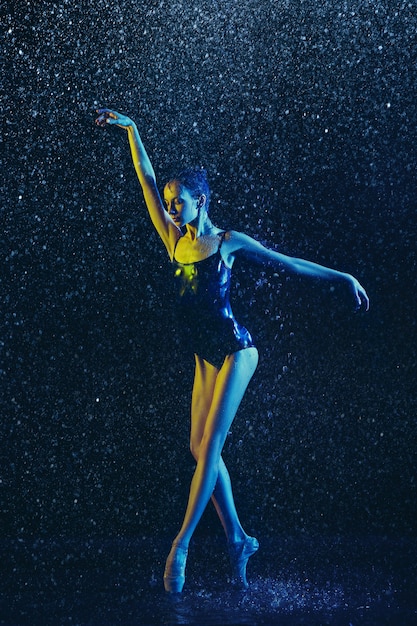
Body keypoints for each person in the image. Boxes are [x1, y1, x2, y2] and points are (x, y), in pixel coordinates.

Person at [95, 108, 369, 593]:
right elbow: (146, 178)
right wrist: (133, 131)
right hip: (204, 358)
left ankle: (180, 546)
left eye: (179, 203)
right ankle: (239, 537)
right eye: (169, 203)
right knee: (198, 448)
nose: (171, 209)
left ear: (200, 202)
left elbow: (289, 264)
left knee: (211, 448)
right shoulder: (173, 244)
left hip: (237, 351)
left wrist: (342, 277)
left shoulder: (227, 243)